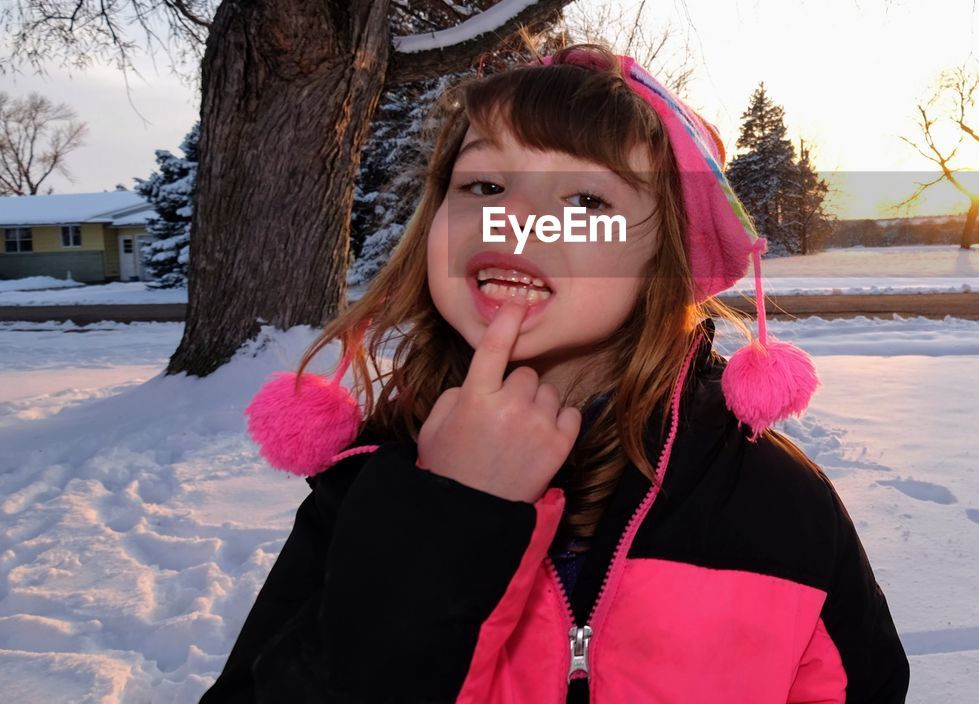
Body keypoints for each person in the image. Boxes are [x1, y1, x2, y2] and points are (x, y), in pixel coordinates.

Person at [201, 44, 909, 703]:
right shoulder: (365, 491)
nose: (513, 220)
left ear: (662, 262)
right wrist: (444, 518)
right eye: (481, 184)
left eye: (586, 203)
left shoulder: (779, 506)